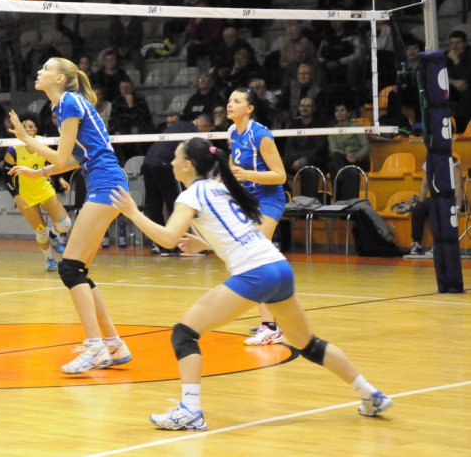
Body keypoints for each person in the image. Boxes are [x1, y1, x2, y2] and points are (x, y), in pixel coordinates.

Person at [110, 138, 393, 431]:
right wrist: (205, 244)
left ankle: (190, 410)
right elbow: (240, 234)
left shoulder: (191, 195)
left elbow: (168, 239)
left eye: (175, 158)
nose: (171, 163)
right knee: (308, 344)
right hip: (278, 267)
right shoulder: (221, 188)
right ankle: (370, 394)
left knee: (184, 334)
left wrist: (133, 213)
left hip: (255, 273)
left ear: (187, 165)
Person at [7, 57, 132, 373]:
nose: (39, 71)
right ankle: (113, 344)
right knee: (79, 270)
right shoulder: (64, 104)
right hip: (105, 182)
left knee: (70, 268)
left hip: (106, 184)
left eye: (46, 69)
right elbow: (75, 158)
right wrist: (41, 173)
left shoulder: (68, 102)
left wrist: (26, 140)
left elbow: (63, 157)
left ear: (60, 79)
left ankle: (94, 347)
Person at [227, 88, 288, 346]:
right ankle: (271, 319)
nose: (230, 104)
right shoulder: (232, 132)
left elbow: (280, 176)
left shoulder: (261, 135)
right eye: (230, 100)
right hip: (249, 201)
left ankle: (270, 326)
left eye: (237, 101)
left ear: (250, 108)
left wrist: (247, 175)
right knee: (252, 259)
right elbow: (235, 168)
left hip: (269, 200)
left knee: (257, 259)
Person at [2, 113, 73, 272]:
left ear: (36, 130)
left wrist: (60, 178)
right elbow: (5, 176)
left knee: (65, 224)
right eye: (24, 127)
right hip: (26, 196)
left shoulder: (43, 142)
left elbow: (52, 162)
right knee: (41, 232)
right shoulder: (13, 149)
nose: (28, 129)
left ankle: (53, 235)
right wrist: (16, 196)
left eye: (31, 127)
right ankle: (49, 259)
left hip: (44, 189)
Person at [142, 114, 196, 255]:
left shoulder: (179, 126)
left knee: (154, 204)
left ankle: (160, 245)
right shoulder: (194, 132)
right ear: (206, 126)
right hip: (163, 164)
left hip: (148, 162)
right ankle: (177, 243)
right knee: (176, 202)